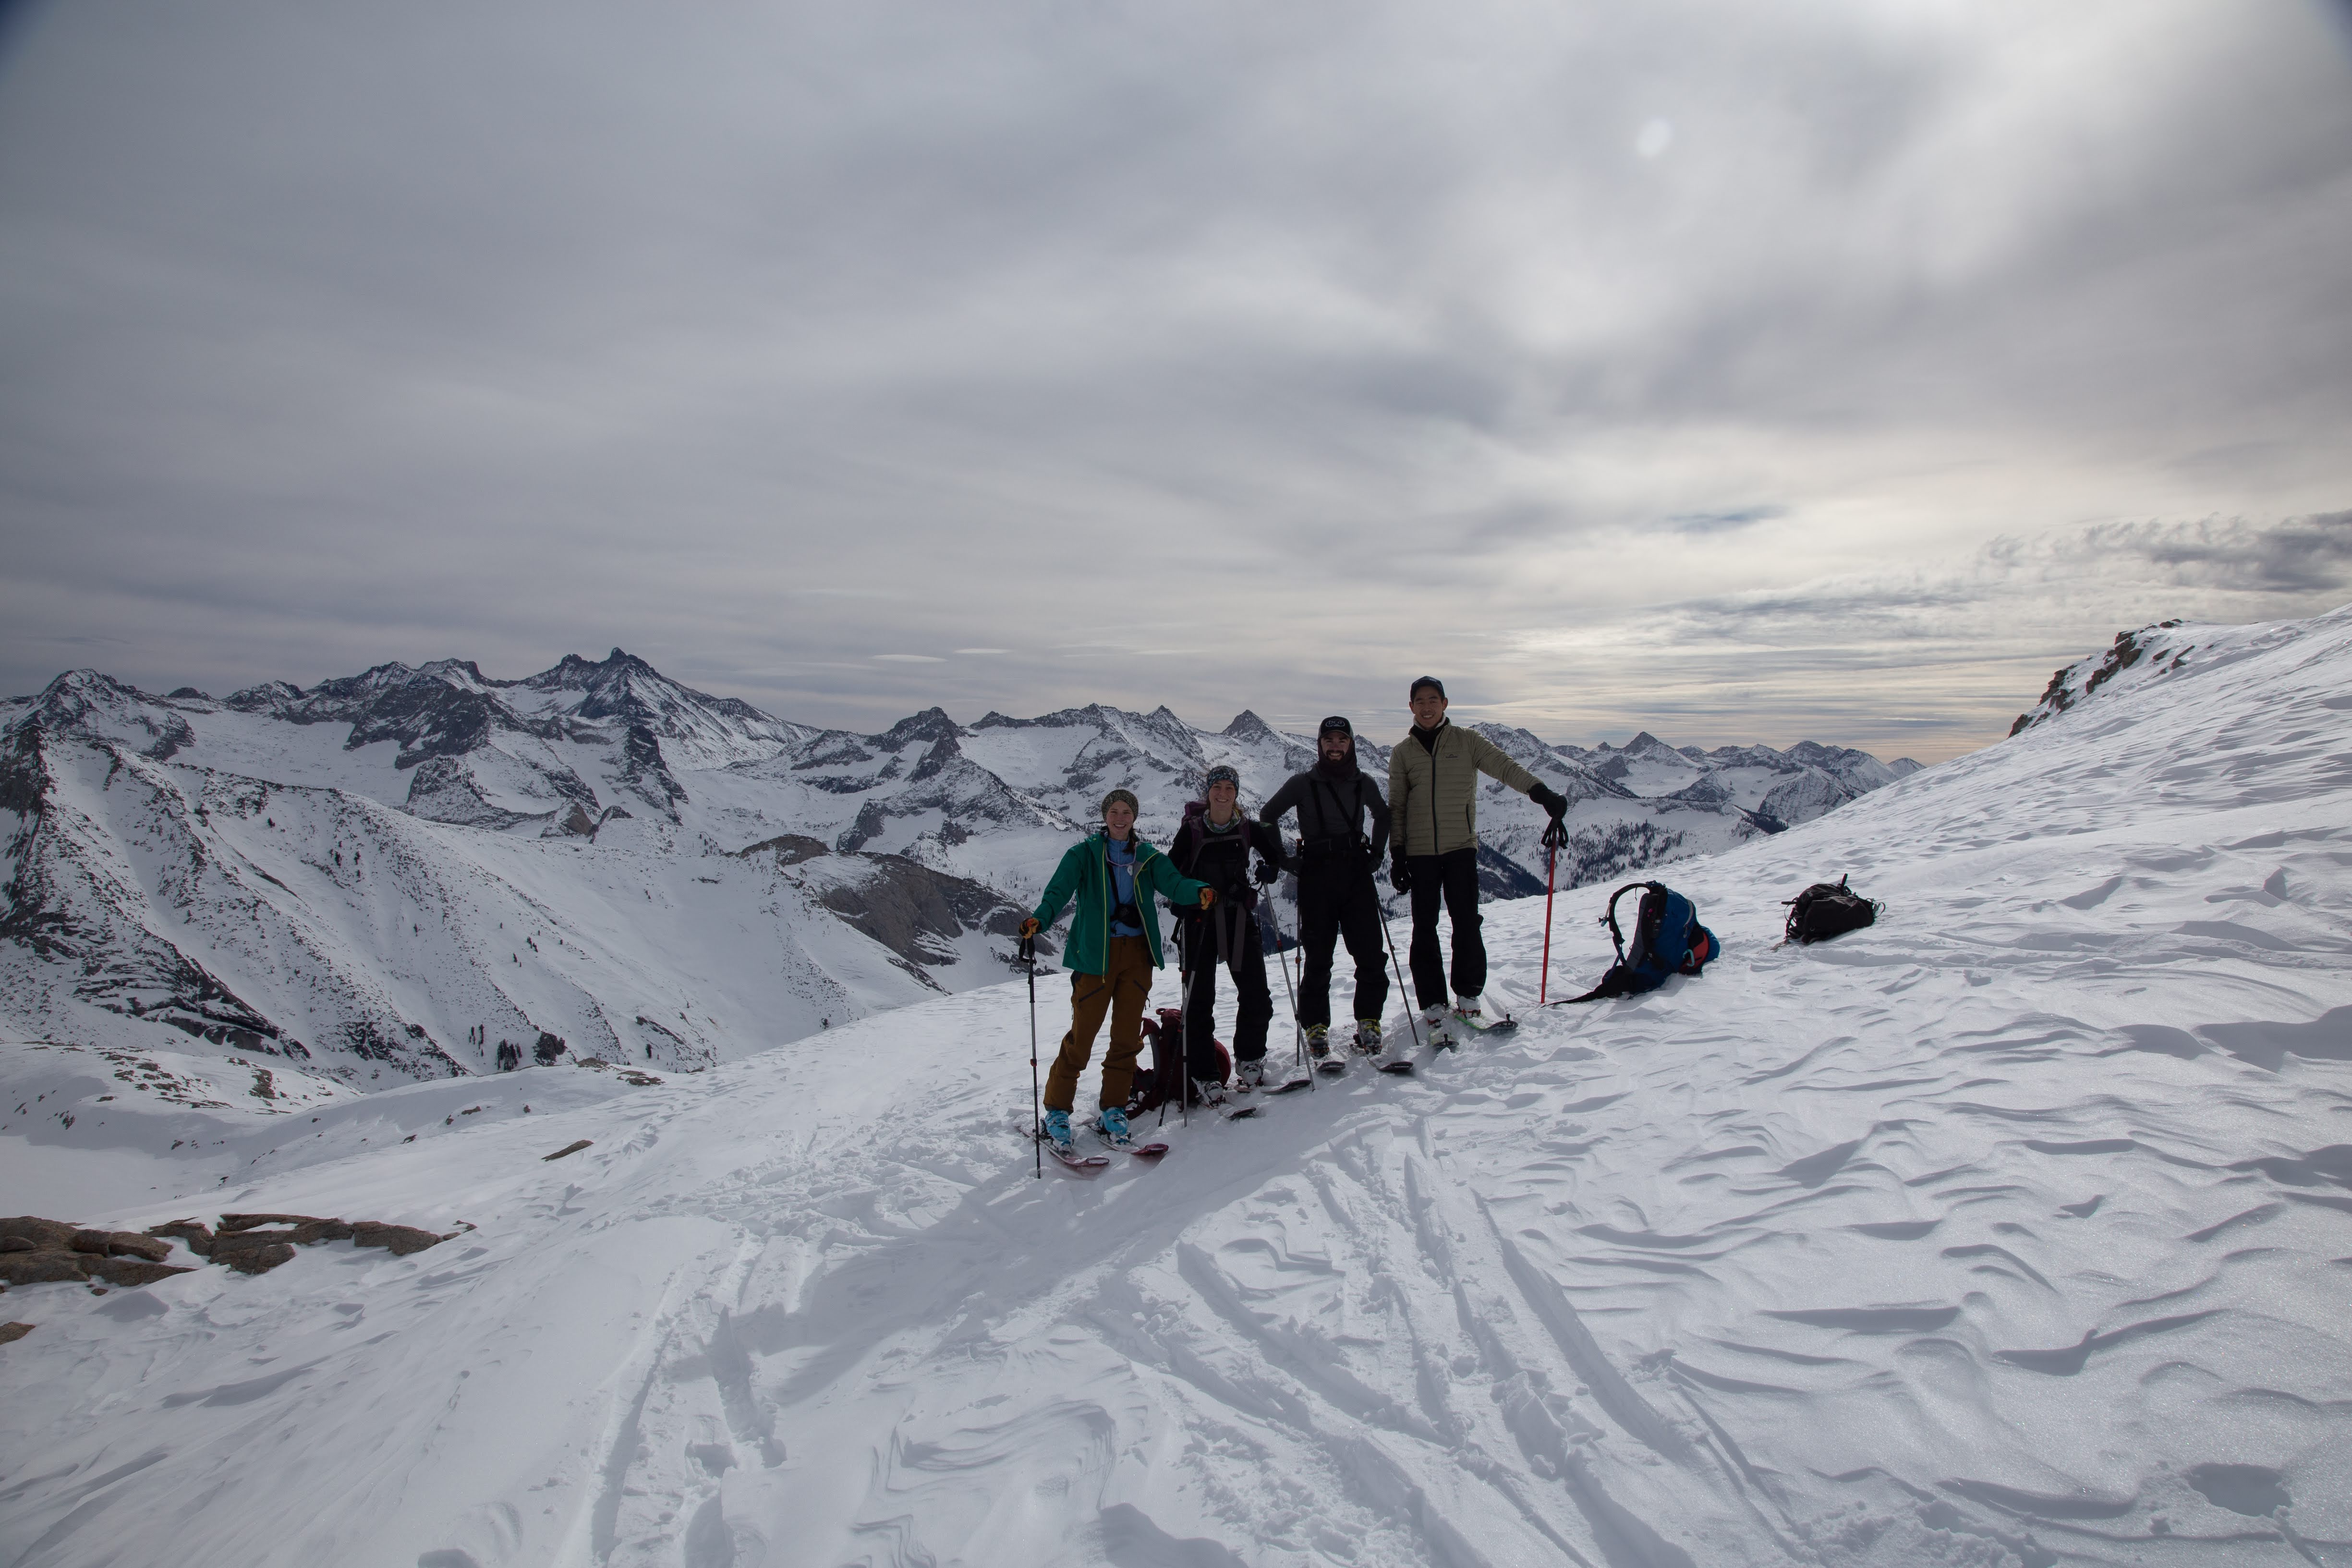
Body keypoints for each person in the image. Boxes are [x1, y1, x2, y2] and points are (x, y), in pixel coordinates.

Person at [1020, 789, 1213, 1151]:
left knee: (1126, 1038)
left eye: (1127, 812)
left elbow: (1173, 883)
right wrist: (1039, 920)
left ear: (1135, 817)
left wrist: (1198, 890)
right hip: (1096, 957)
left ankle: (1114, 1106)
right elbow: (1057, 893)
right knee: (1083, 1038)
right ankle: (1057, 1110)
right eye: (1114, 811)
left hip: (1137, 957)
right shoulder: (1084, 854)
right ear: (1105, 815)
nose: (1120, 817)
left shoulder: (1147, 856)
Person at [1387, 677, 1569, 1043]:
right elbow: (1398, 806)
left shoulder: (1467, 742)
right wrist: (1398, 853)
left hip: (1460, 848)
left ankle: (1468, 993)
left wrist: (1541, 793)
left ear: (1445, 703)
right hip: (1420, 852)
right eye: (1420, 701)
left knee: (1466, 921)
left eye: (1433, 700)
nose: (1426, 707)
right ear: (1411, 707)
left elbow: (1505, 767)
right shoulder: (1402, 753)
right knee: (1424, 927)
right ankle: (1433, 1002)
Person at [1259, 716, 1392, 1067]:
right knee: (1319, 957)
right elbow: (1268, 815)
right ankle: (1316, 1026)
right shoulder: (1303, 783)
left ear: (1351, 745)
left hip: (1353, 872)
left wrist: (1377, 855)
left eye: (1342, 740)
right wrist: (1284, 860)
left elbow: (1384, 815)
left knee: (1370, 954)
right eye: (1329, 740)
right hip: (1317, 874)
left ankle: (1368, 1020)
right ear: (1320, 744)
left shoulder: (1363, 783)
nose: (1335, 746)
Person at [1168, 764, 1292, 1096]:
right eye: (1217, 787)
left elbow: (1276, 857)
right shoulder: (1192, 830)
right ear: (1207, 792)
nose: (1223, 793)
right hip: (1200, 921)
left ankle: (1250, 1059)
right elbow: (1170, 872)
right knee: (1199, 1001)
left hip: (1239, 918)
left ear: (1236, 793)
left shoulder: (1248, 828)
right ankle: (1205, 1074)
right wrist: (1184, 897)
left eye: (1229, 788)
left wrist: (1270, 870)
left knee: (1256, 995)